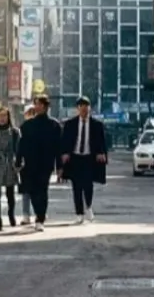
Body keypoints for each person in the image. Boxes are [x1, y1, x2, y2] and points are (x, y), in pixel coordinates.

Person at [16, 95, 62, 231]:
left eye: (41, 105)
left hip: (46, 164)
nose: (38, 107)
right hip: (29, 164)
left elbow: (58, 147)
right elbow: (21, 146)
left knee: (43, 190)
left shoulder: (54, 126)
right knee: (32, 190)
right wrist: (18, 161)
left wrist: (59, 166)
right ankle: (38, 214)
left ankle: (40, 218)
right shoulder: (27, 126)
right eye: (36, 104)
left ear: (46, 107)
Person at [60, 96, 107, 224]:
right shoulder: (70, 124)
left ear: (89, 108)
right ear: (77, 109)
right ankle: (79, 213)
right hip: (75, 158)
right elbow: (64, 142)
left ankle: (88, 207)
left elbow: (102, 142)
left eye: (86, 106)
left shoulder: (97, 125)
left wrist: (101, 153)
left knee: (88, 185)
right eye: (81, 107)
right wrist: (64, 154)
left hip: (89, 158)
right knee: (76, 187)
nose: (84, 109)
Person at [18, 106, 36, 225]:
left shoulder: (39, 127)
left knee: (35, 190)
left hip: (37, 162)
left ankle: (37, 213)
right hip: (26, 163)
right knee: (26, 191)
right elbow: (19, 146)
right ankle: (26, 215)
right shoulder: (23, 127)